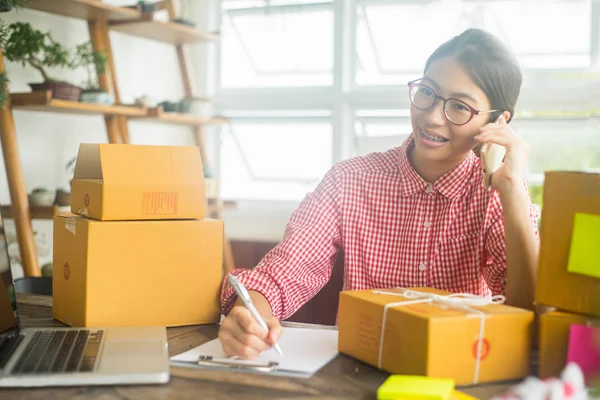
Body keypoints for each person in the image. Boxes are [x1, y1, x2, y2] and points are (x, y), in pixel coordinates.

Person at [218, 28, 539, 358]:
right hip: (358, 368)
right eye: (426, 92)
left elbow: (529, 312)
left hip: (459, 368)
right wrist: (250, 315)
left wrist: (513, 189)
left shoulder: (500, 192)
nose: (431, 117)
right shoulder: (349, 180)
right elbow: (283, 273)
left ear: (499, 122)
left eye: (459, 107)